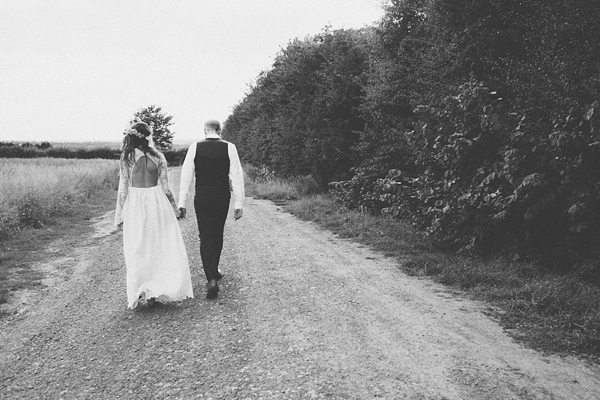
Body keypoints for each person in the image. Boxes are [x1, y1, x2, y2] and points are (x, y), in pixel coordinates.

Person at [115, 122, 193, 308]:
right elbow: (166, 187)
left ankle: (143, 289)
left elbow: (123, 188)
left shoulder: (127, 157)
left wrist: (119, 214)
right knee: (158, 244)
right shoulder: (158, 157)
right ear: (148, 136)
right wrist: (175, 208)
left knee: (138, 246)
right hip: (156, 201)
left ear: (132, 136)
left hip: (135, 202)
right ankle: (153, 292)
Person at [178, 120, 244, 299]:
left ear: (205, 131)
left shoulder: (195, 147)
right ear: (220, 130)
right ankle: (214, 270)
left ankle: (211, 277)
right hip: (222, 197)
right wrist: (239, 204)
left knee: (205, 236)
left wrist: (181, 203)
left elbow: (186, 177)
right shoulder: (230, 147)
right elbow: (237, 176)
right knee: (217, 233)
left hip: (203, 197)